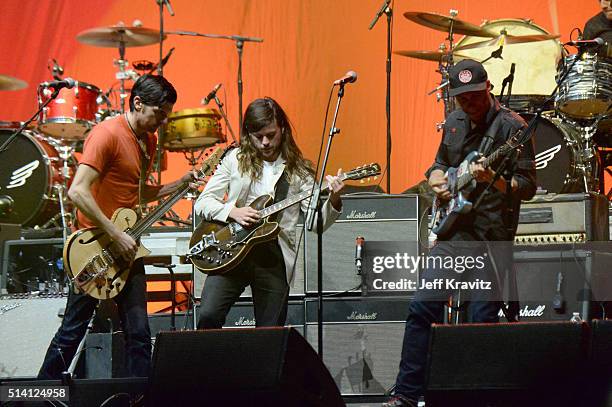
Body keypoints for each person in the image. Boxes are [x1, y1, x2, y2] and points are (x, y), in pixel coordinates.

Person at [383, 60, 536, 407]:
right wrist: (435, 178)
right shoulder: (453, 122)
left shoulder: (514, 127)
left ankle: (474, 397)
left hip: (490, 238)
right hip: (453, 233)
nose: (469, 104)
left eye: (474, 96)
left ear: (489, 88)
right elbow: (440, 164)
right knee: (422, 307)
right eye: (461, 98)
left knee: (481, 322)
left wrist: (493, 180)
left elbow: (527, 187)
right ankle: (407, 393)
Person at [38, 74, 196, 379]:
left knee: (138, 332)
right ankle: (36, 395)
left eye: (166, 116)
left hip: (126, 248)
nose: (162, 123)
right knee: (72, 332)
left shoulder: (147, 140)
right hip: (93, 249)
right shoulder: (106, 134)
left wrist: (179, 184)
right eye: (158, 114)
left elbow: (138, 192)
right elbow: (77, 191)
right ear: (138, 103)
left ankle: (140, 397)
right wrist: (115, 233)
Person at [194, 97, 344, 329]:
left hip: (272, 256)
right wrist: (233, 212)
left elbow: (316, 223)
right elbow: (203, 203)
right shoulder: (235, 160)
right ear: (248, 135)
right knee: (208, 315)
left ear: (282, 130)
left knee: (269, 330)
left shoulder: (299, 172)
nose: (265, 142)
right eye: (258, 137)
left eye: (271, 135)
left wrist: (333, 197)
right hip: (233, 248)